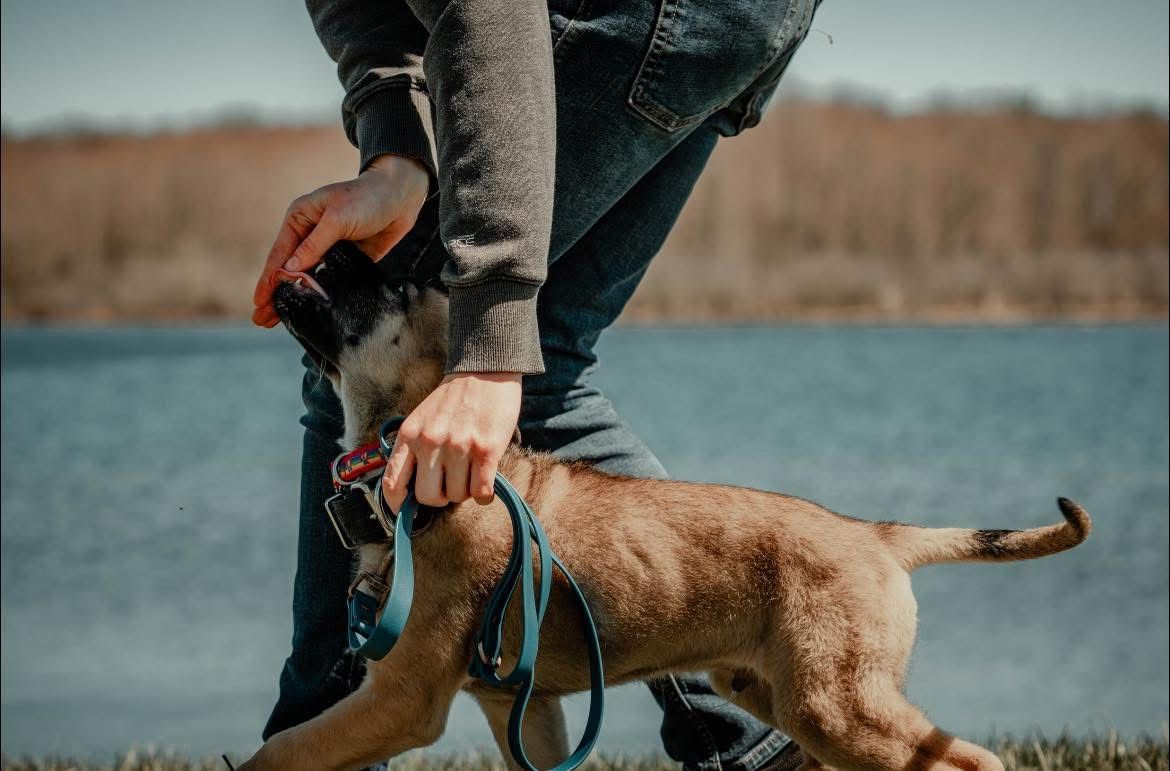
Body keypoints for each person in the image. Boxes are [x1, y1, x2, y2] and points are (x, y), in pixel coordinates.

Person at [252, 0, 821, 767]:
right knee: (535, 370)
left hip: (640, 20)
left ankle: (319, 745)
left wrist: (488, 342)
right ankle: (754, 742)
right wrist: (397, 150)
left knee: (371, 352)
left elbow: (488, 13)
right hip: (726, 21)